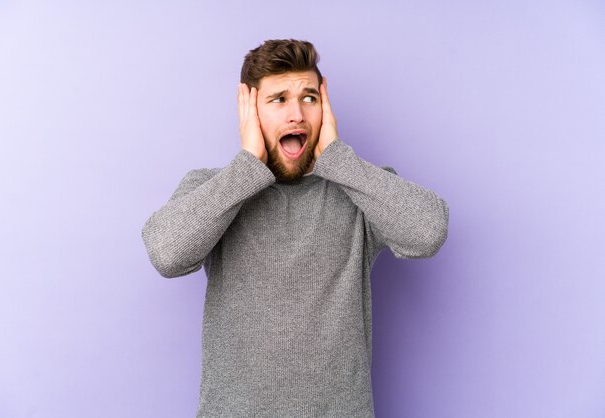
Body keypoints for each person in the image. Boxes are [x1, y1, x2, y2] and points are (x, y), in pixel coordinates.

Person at [142, 39, 449, 417]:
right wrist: (246, 167)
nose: (297, 116)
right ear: (250, 111)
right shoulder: (215, 189)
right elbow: (166, 254)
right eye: (278, 100)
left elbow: (428, 231)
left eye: (309, 98)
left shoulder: (359, 188)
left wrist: (339, 161)